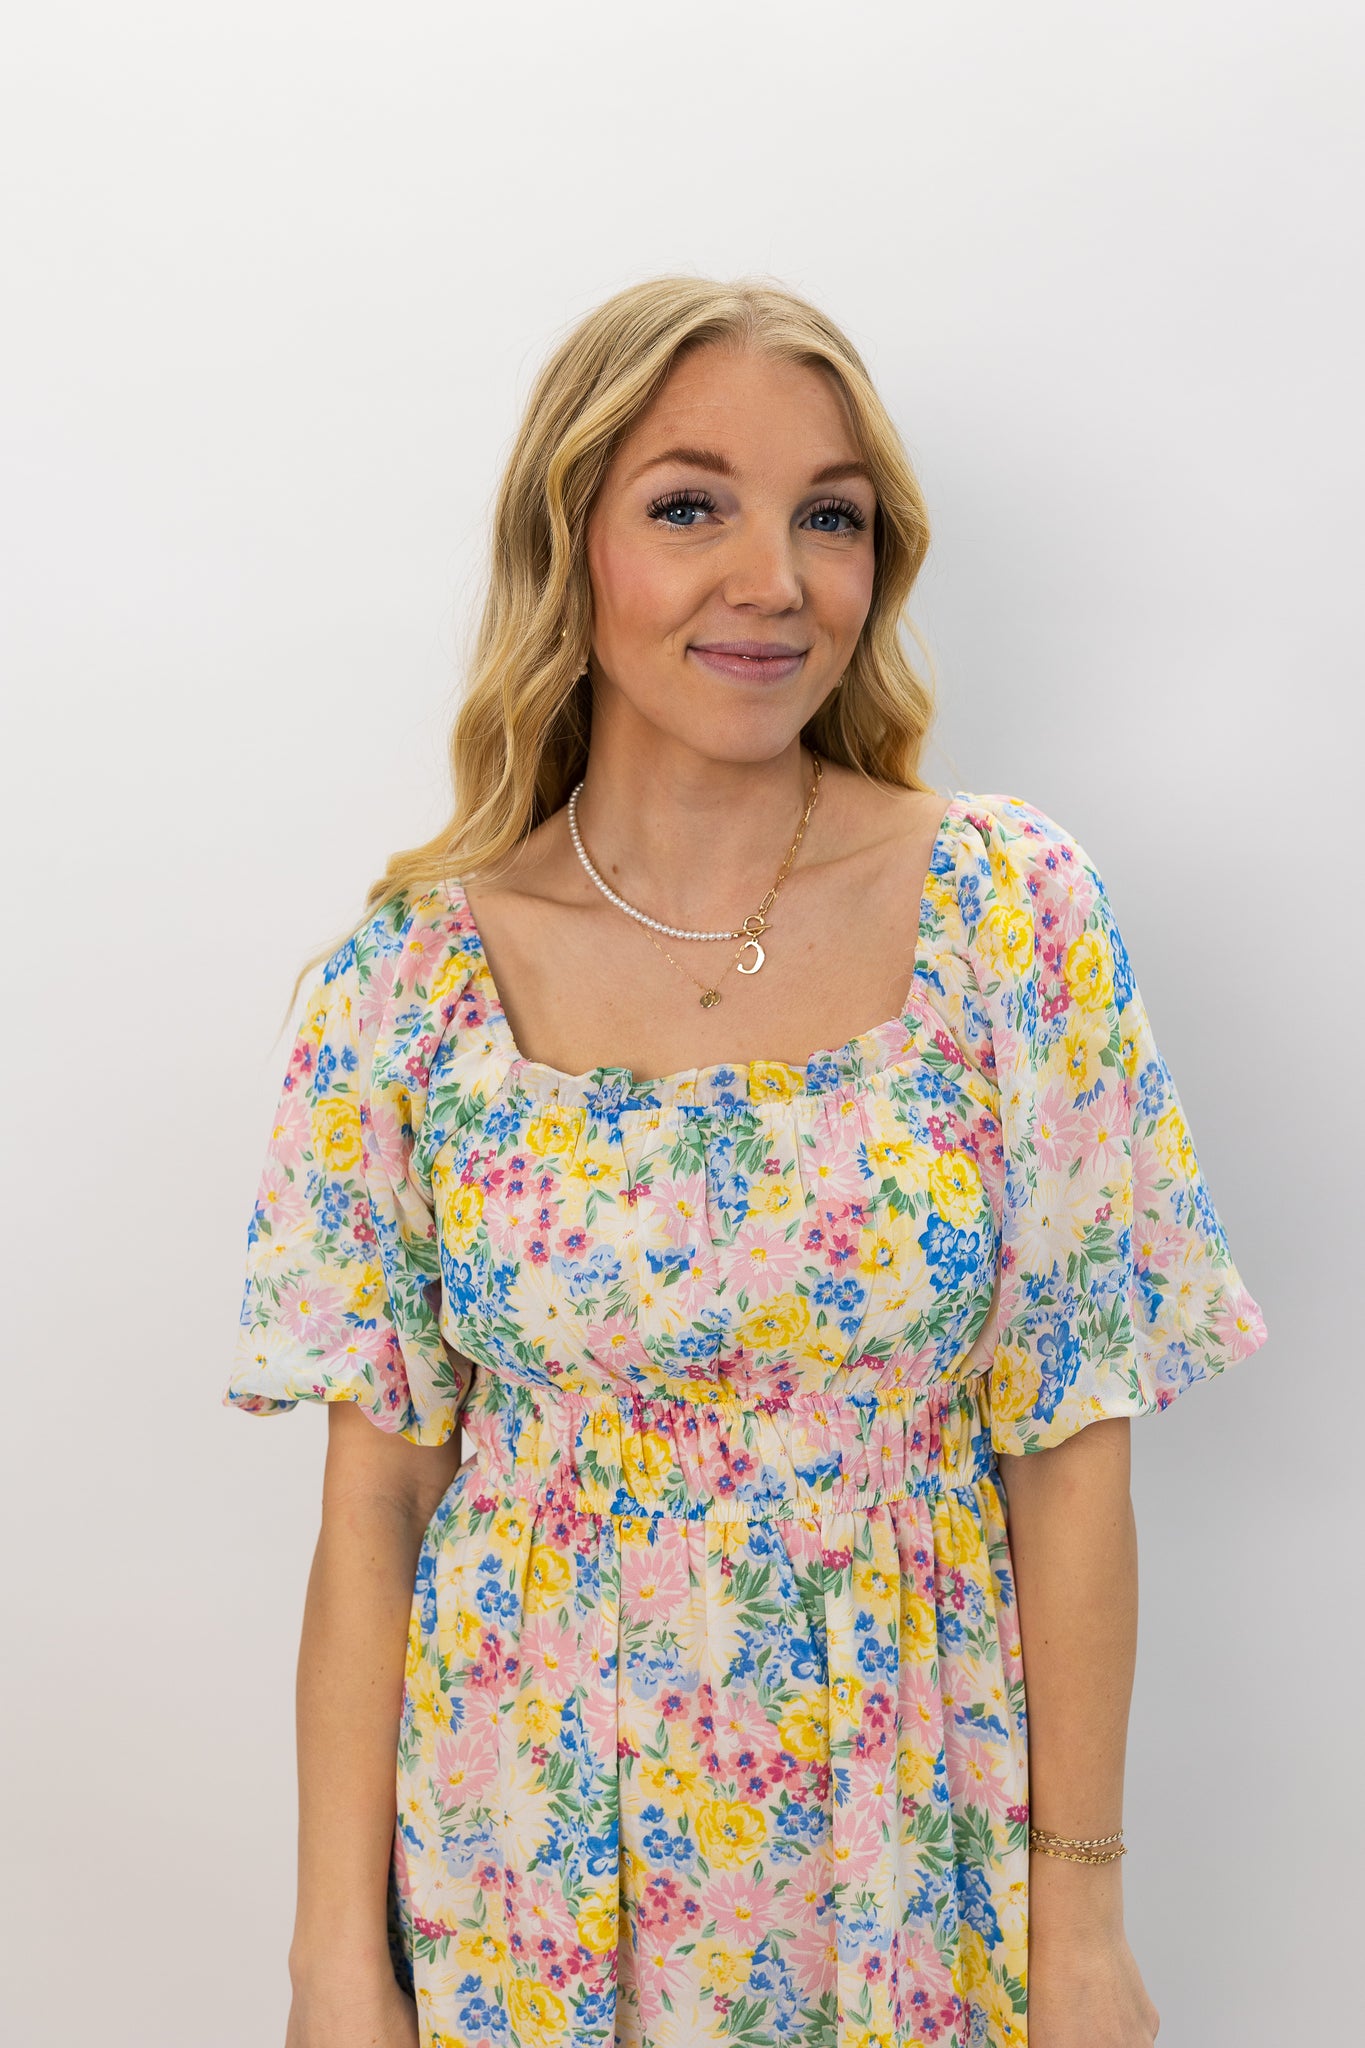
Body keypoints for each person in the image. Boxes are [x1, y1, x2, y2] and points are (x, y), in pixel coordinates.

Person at [225, 275, 1267, 2048]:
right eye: (690, 505)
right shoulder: (406, 984)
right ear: (569, 547)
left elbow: (1069, 1446)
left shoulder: (1010, 915)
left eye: (829, 518)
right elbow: (376, 1505)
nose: (774, 580)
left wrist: (1082, 1921)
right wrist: (335, 1962)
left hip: (908, 1859)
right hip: (519, 1877)